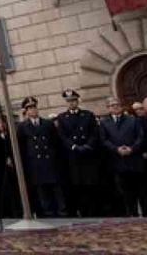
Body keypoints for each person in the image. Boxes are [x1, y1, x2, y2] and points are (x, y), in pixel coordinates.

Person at [54, 89, 104, 217]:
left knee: (91, 185)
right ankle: (82, 211)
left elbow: (94, 133)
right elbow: (62, 136)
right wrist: (74, 146)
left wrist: (88, 145)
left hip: (88, 155)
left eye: (74, 101)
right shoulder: (62, 117)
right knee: (77, 186)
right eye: (69, 101)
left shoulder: (88, 115)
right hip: (73, 156)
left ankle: (93, 211)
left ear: (77, 101)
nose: (71, 103)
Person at [16, 97, 65, 218]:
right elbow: (21, 145)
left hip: (49, 159)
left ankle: (61, 210)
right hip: (35, 162)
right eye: (29, 108)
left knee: (56, 188)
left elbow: (55, 141)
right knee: (41, 189)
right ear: (26, 111)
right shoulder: (23, 126)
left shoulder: (47, 123)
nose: (33, 110)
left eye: (34, 107)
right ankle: (46, 211)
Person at [99, 96, 143, 217]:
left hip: (133, 159)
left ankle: (137, 211)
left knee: (136, 188)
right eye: (112, 105)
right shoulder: (104, 122)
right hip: (116, 160)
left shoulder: (132, 119)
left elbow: (140, 137)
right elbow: (104, 140)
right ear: (108, 108)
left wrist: (132, 148)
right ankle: (126, 212)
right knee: (122, 189)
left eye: (117, 104)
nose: (115, 107)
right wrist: (116, 149)